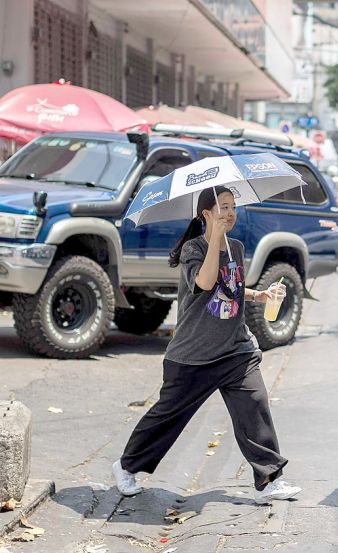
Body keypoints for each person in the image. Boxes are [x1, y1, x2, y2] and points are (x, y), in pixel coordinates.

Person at [111, 186, 301, 505]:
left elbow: (231, 288)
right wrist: (214, 239)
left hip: (235, 351)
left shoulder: (237, 248)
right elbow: (206, 283)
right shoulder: (193, 250)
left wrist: (260, 295)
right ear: (206, 215)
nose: (230, 213)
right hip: (193, 356)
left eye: (233, 207)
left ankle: (269, 479)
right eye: (223, 208)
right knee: (167, 418)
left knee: (255, 403)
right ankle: (126, 466)